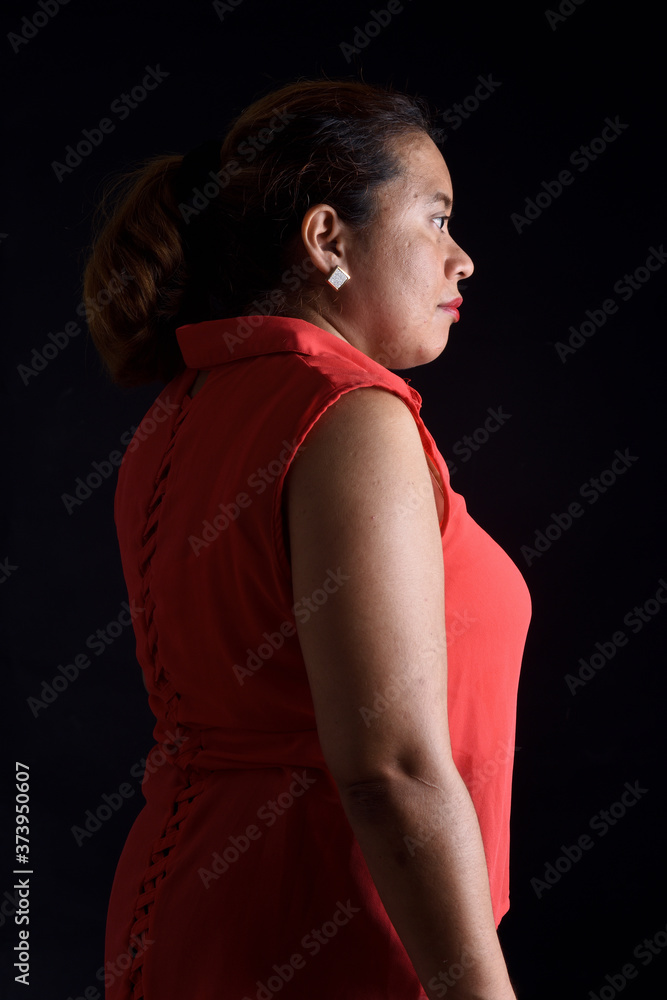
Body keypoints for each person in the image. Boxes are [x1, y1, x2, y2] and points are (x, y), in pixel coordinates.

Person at [82, 78, 531, 1000]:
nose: (463, 260)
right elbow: (391, 767)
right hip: (326, 928)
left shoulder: (183, 409)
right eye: (436, 219)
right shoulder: (349, 414)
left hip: (182, 913)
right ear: (328, 238)